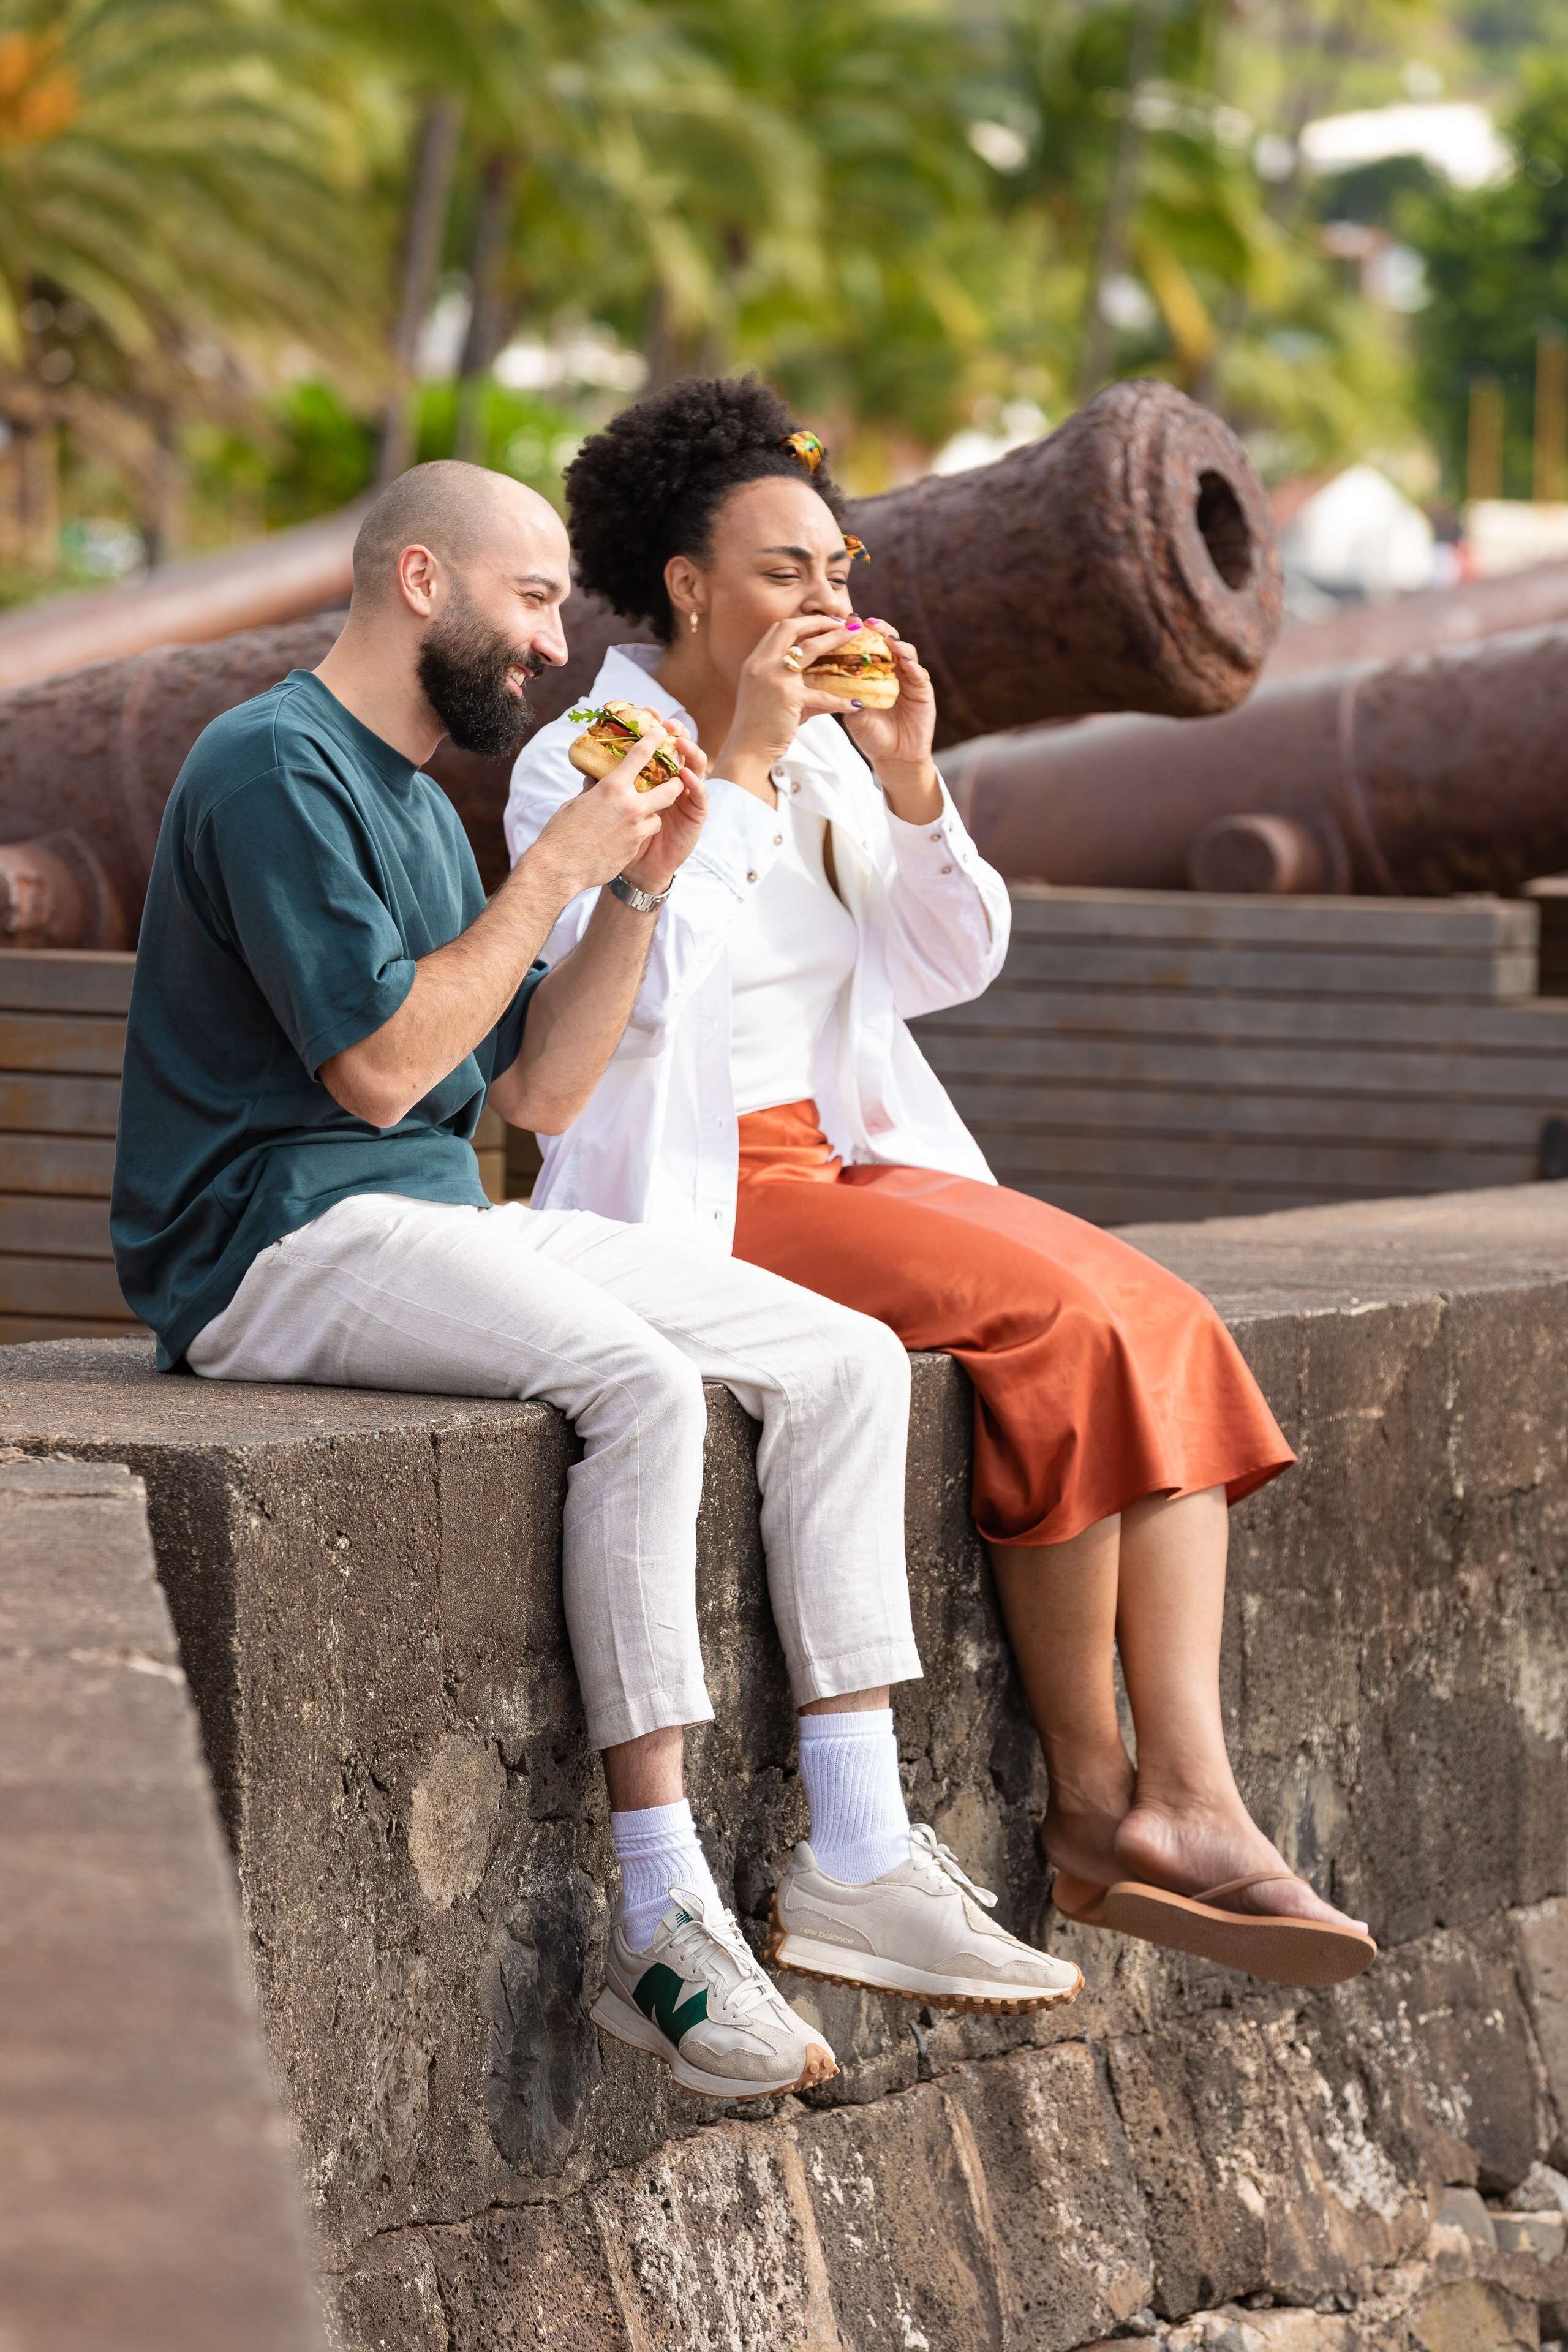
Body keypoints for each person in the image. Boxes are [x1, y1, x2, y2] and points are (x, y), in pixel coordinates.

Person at [111, 460, 1080, 2110]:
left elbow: (536, 1100)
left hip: (426, 1220)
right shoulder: (274, 766)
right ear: (422, 579)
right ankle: (663, 1911)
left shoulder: (425, 801)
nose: (558, 649)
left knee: (843, 1361)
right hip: (264, 1245)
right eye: (536, 599)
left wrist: (639, 877)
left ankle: (853, 1844)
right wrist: (556, 869)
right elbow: (376, 1068)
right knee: (636, 1384)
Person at [504, 379, 1378, 1988]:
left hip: (853, 1157)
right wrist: (749, 767)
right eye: (786, 574)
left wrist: (910, 782)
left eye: (838, 571)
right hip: (708, 1186)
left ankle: (1188, 1797)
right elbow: (636, 1017)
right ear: (689, 586)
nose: (828, 601)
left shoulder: (837, 753)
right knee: (1057, 1324)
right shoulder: (595, 752)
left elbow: (945, 964)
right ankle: (1103, 1804)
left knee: (1162, 1314)